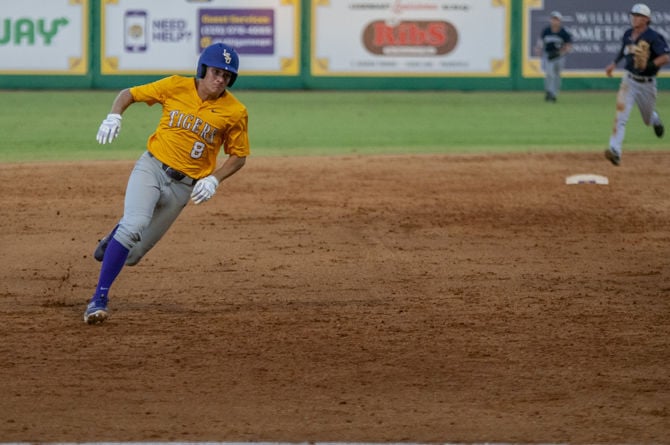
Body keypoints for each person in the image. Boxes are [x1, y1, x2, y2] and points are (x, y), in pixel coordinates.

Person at [84, 42, 250, 324]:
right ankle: (98, 299)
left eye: (226, 75)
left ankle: (113, 237)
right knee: (134, 225)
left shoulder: (235, 111)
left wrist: (215, 178)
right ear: (202, 69)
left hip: (184, 188)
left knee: (133, 254)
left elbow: (239, 156)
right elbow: (129, 94)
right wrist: (114, 114)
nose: (220, 79)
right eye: (215, 72)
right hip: (152, 168)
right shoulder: (175, 85)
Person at [604, 3, 670, 166]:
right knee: (621, 116)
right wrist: (614, 63)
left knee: (646, 119)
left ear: (647, 19)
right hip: (629, 81)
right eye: (633, 15)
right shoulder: (628, 34)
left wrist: (649, 66)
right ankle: (615, 151)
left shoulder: (654, 37)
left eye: (639, 15)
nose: (634, 18)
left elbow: (666, 57)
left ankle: (655, 120)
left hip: (647, 84)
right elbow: (623, 50)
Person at [535, 11, 572, 102]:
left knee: (557, 75)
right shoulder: (546, 31)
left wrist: (561, 52)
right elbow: (541, 41)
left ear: (560, 21)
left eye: (557, 19)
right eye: (553, 19)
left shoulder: (563, 32)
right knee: (549, 74)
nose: (555, 21)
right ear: (551, 20)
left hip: (559, 56)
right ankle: (549, 92)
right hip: (548, 55)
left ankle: (554, 93)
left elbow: (568, 46)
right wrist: (539, 49)